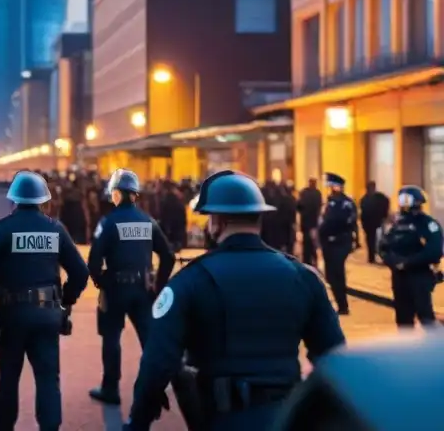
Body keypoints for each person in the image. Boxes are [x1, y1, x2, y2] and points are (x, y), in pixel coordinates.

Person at [125, 170, 346, 431]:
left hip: (222, 419)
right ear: (258, 217)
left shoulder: (190, 282)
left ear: (217, 221)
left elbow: (157, 363)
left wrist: (137, 423)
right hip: (285, 418)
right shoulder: (304, 277)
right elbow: (335, 359)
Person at [0, 169, 89, 431]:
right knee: (48, 379)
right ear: (43, 200)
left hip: (13, 313)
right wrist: (65, 303)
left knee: (8, 377)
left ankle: (4, 427)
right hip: (48, 313)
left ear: (13, 199)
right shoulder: (56, 229)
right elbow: (80, 273)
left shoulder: (2, 229)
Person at [87, 168, 175, 405]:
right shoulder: (148, 222)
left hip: (115, 289)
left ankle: (111, 388)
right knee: (149, 340)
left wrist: (102, 282)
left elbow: (94, 261)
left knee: (112, 338)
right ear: (135, 195)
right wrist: (158, 286)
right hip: (143, 290)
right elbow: (168, 255)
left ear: (116, 193)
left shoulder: (108, 222)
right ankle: (154, 387)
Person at [378, 185, 443, 328]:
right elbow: (383, 247)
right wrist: (392, 262)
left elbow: (435, 250)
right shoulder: (395, 223)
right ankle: (406, 348)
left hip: (419, 275)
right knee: (403, 318)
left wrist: (408, 262)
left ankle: (435, 347)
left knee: (425, 316)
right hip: (399, 277)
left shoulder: (427, 224)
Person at [318, 172, 358, 315]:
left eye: (331, 187)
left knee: (337, 273)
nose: (329, 190)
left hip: (338, 241)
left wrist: (322, 230)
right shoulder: (332, 202)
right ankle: (341, 303)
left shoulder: (342, 203)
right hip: (331, 242)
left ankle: (343, 306)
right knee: (331, 274)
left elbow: (335, 222)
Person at [359, 181, 390, 264]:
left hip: (373, 223)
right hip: (373, 223)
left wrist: (384, 214)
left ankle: (374, 257)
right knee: (374, 240)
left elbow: (363, 212)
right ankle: (373, 257)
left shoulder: (365, 199)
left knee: (374, 240)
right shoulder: (374, 197)